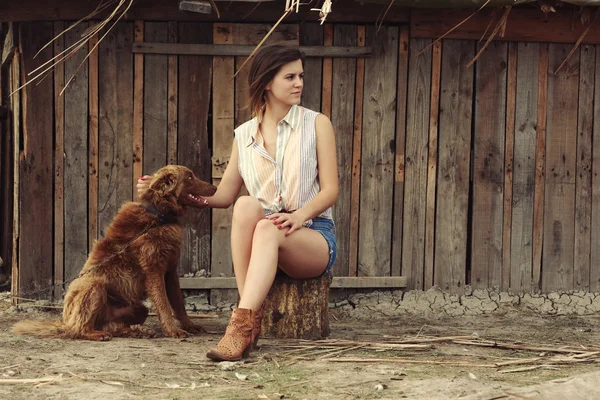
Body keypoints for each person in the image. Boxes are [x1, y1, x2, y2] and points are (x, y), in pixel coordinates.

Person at [137, 43, 338, 361]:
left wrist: (299, 216)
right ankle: (250, 319)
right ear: (267, 81)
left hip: (313, 236)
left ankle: (239, 326)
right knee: (245, 205)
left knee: (268, 228)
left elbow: (330, 191)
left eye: (301, 76)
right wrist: (165, 190)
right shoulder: (244, 135)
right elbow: (223, 196)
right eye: (290, 77)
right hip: (266, 236)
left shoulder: (316, 124)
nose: (299, 83)